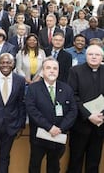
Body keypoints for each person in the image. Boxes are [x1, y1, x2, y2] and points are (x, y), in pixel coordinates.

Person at [25, 57, 77, 173]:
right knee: (35, 165)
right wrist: (49, 127)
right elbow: (31, 110)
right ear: (42, 72)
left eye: (55, 68)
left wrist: (61, 128)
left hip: (58, 135)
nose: (52, 71)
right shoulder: (33, 88)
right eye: (48, 68)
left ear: (58, 71)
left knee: (54, 166)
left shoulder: (66, 89)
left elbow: (73, 111)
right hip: (39, 136)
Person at [0, 53, 26, 173]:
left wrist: (21, 125)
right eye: (2, 62)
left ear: (13, 64)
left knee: (5, 157)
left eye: (8, 62)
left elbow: (21, 104)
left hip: (11, 126)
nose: (5, 65)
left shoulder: (20, 80)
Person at [67, 45, 104, 173]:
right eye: (90, 54)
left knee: (94, 161)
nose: (94, 57)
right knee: (75, 161)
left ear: (102, 57)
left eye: (97, 55)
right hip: (80, 124)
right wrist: (88, 115)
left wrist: (100, 116)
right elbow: (73, 95)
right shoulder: (75, 71)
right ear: (86, 56)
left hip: (100, 123)